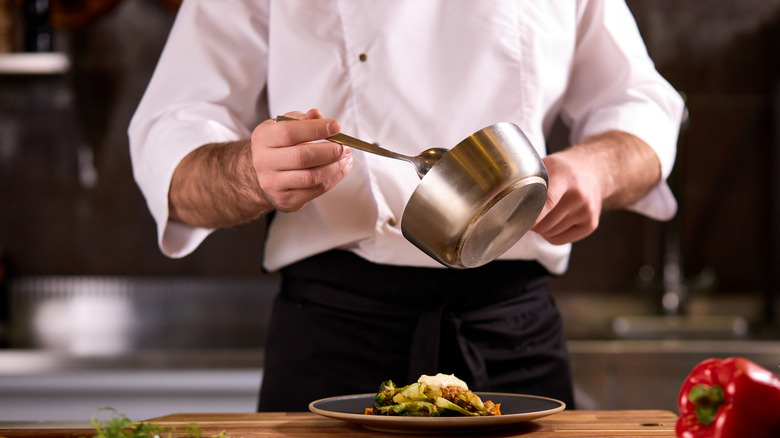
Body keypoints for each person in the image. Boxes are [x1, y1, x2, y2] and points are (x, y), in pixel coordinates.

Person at [129, 0, 683, 411]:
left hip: (510, 335)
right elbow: (170, 146)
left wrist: (596, 169)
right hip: (335, 335)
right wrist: (251, 173)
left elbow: (642, 105)